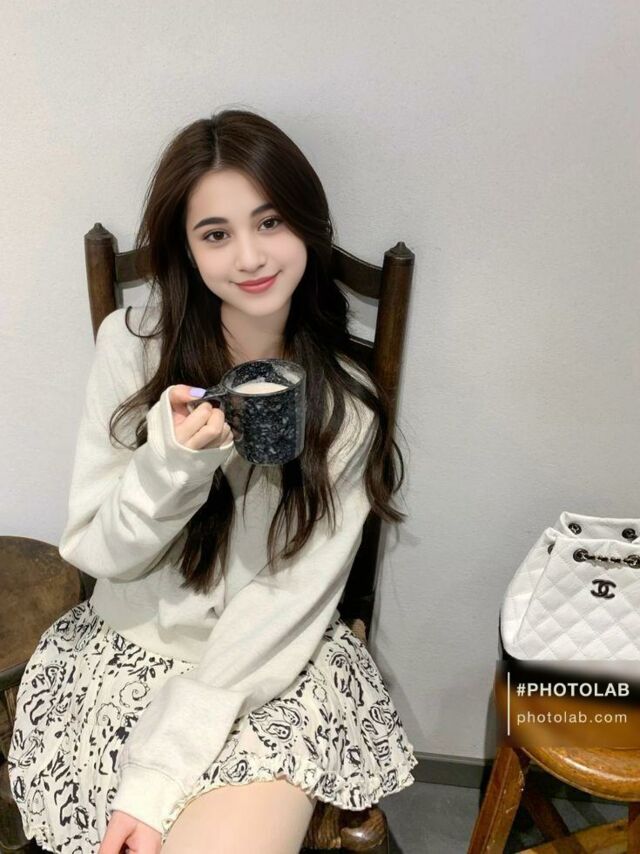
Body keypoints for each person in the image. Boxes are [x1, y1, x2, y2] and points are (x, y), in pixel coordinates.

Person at [8, 108, 417, 854]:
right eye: (216, 234)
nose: (251, 257)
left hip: (271, 664)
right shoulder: (130, 350)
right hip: (128, 651)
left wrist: (162, 771)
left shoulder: (346, 405)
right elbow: (98, 553)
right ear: (187, 249)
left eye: (271, 222)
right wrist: (174, 463)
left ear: (308, 227)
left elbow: (283, 602)